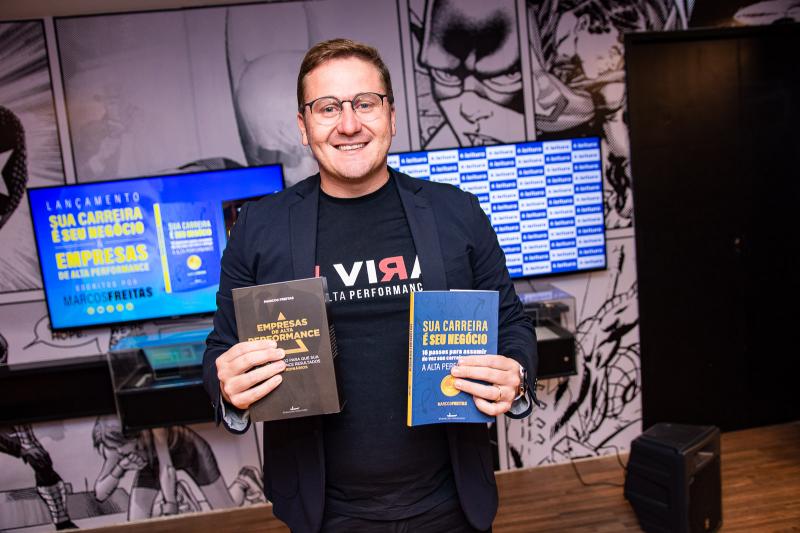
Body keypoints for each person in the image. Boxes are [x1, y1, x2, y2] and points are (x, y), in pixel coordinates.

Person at [203, 38, 538, 533]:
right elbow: (220, 349)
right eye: (327, 108)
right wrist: (229, 389)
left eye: (365, 103)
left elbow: (511, 323)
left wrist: (518, 377)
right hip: (327, 513)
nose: (349, 124)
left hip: (450, 503)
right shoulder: (259, 228)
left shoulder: (457, 213)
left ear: (391, 116)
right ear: (303, 126)